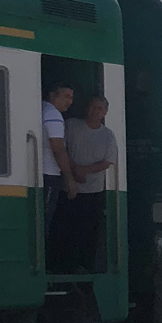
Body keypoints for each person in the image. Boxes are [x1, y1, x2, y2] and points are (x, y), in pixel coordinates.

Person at [55, 94, 118, 272]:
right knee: (65, 232)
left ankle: (84, 269)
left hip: (94, 193)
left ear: (105, 112)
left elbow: (108, 162)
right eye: (93, 106)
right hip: (68, 189)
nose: (95, 111)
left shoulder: (108, 135)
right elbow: (61, 149)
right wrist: (74, 171)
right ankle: (63, 268)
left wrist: (84, 171)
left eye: (100, 108)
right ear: (86, 107)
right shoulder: (71, 125)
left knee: (89, 234)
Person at [39, 83, 76, 243]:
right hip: (50, 175)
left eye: (72, 97)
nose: (70, 101)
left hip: (40, 173)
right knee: (44, 220)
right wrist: (69, 178)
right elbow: (58, 149)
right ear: (53, 95)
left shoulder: (40, 109)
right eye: (66, 96)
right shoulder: (53, 115)